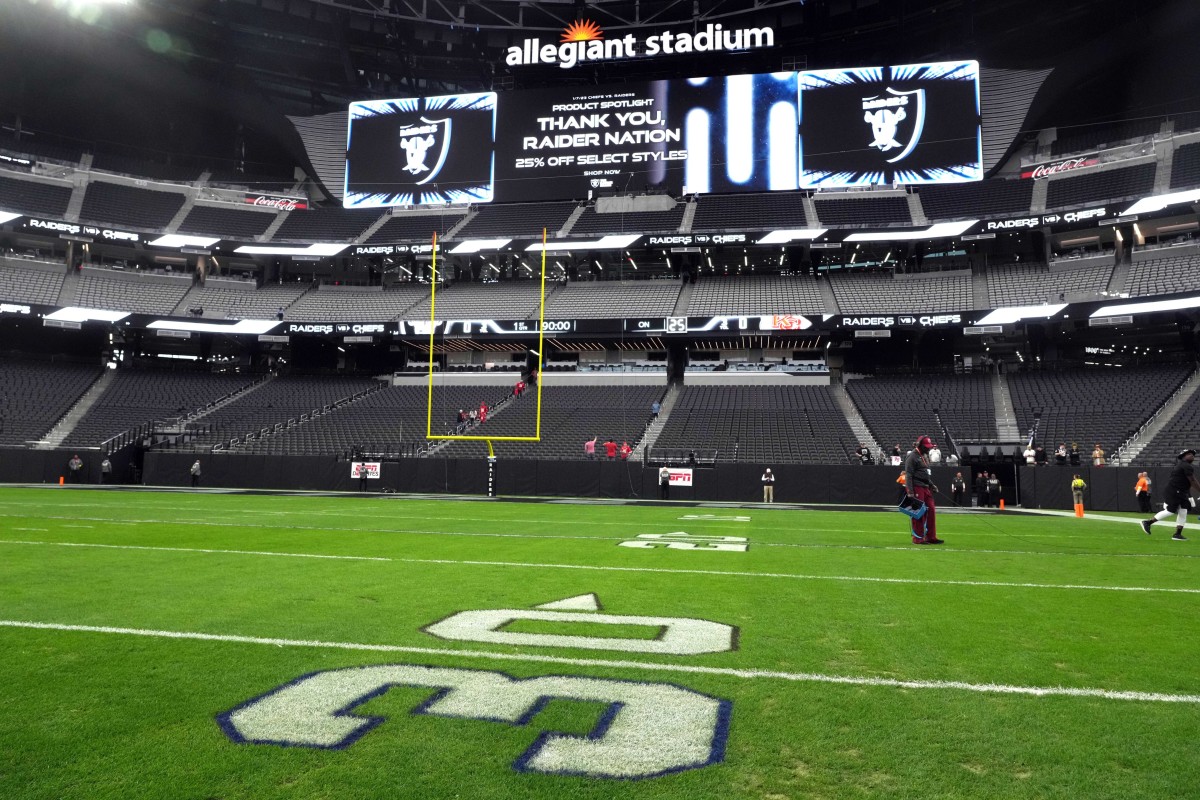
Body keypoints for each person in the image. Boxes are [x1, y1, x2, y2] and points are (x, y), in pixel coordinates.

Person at [1141, 449, 1200, 541]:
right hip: (1174, 491)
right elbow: (1192, 480)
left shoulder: (1184, 466)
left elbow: (1188, 482)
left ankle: (1177, 534)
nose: (1192, 455)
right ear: (1183, 456)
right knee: (1170, 511)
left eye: (1193, 454)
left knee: (1183, 511)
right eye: (1189, 454)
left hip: (1181, 492)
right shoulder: (1185, 465)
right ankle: (1148, 522)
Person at [905, 435, 942, 544]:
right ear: (920, 445)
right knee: (918, 512)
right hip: (916, 487)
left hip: (926, 486)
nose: (928, 448)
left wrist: (932, 485)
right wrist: (910, 492)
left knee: (931, 510)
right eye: (926, 446)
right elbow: (909, 475)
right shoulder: (912, 456)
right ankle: (918, 538)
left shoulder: (924, 456)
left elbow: (925, 474)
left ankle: (931, 537)